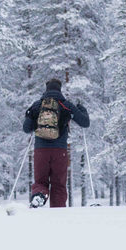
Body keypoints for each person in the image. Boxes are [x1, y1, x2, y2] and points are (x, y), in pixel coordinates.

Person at [22, 78, 90, 208]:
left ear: (46, 89)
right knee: (58, 184)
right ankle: (58, 214)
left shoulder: (37, 105)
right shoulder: (66, 105)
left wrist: (30, 116)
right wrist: (82, 109)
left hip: (40, 150)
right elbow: (85, 123)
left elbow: (26, 129)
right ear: (60, 89)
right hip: (60, 151)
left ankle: (39, 195)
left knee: (40, 181)